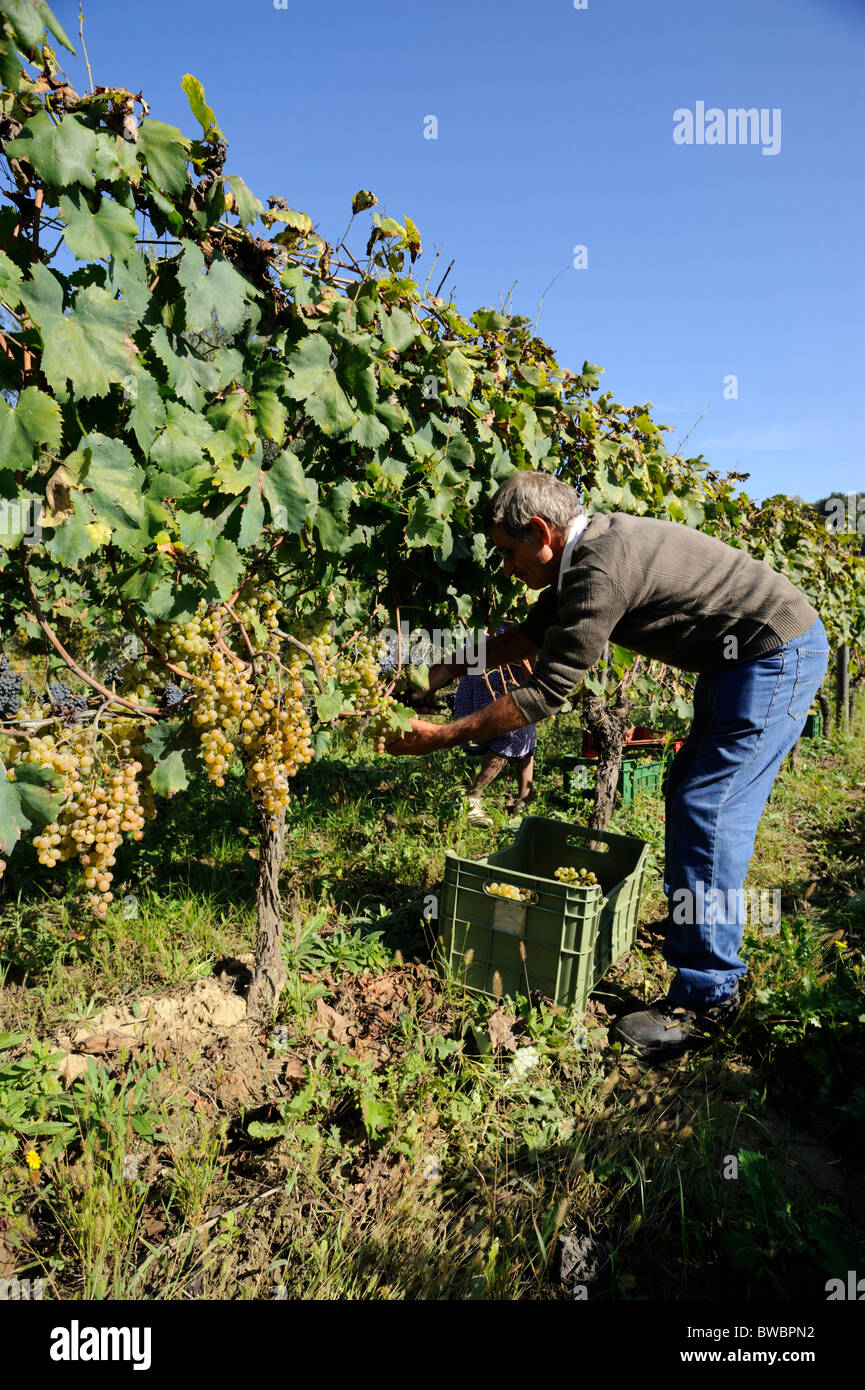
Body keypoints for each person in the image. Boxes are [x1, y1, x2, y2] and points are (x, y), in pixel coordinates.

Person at [386, 472, 830, 1058]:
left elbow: (546, 690)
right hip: (741, 662)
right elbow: (529, 636)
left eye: (508, 551)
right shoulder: (584, 557)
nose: (507, 565)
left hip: (774, 654)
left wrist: (445, 735)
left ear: (542, 532)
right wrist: (450, 665)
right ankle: (704, 954)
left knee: (708, 806)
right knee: (691, 795)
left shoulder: (600, 567)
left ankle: (708, 999)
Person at [452, 645, 537, 826]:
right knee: (512, 736)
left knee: (524, 737)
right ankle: (471, 801)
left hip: (487, 666)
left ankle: (525, 801)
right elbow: (526, 651)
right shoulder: (524, 622)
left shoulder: (494, 622)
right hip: (502, 674)